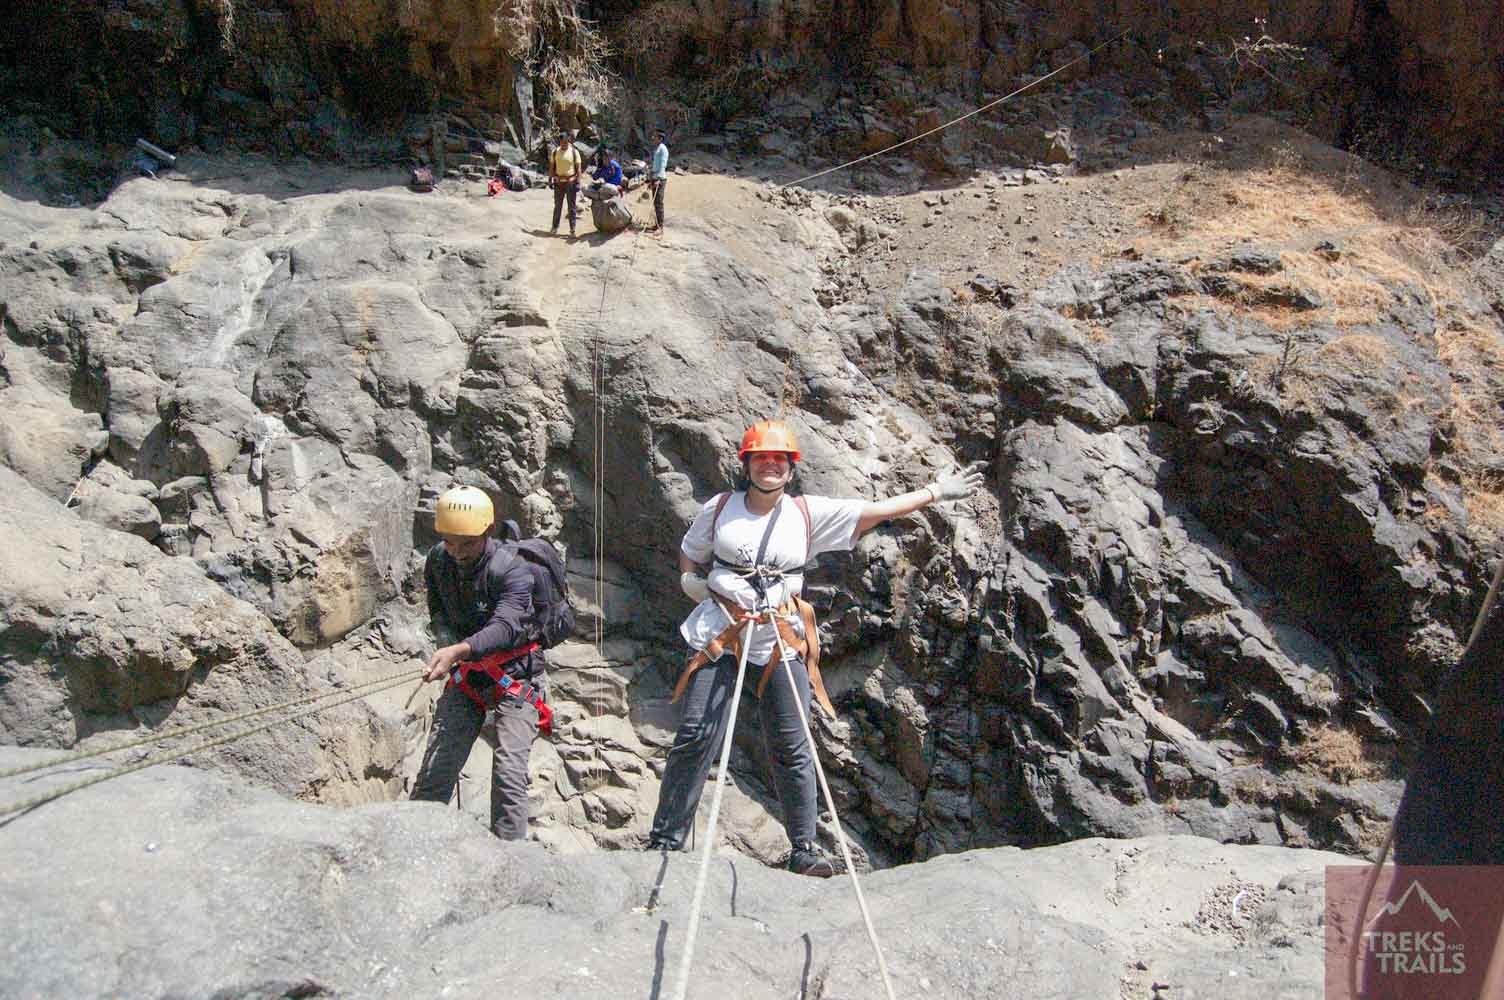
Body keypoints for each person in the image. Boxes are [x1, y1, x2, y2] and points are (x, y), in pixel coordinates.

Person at [647, 420, 985, 875]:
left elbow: (876, 511)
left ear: (790, 469)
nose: (770, 465)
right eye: (761, 458)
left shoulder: (806, 513)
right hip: (723, 632)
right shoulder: (721, 507)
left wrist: (935, 492)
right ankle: (665, 839)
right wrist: (690, 579)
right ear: (747, 464)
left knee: (792, 744)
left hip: (779, 638)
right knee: (695, 735)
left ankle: (803, 848)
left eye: (779, 459)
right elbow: (691, 550)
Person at [410, 485, 551, 840]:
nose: (457, 552)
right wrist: (446, 643)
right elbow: (438, 611)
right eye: (450, 542)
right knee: (435, 771)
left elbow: (505, 626)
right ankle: (412, 844)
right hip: (468, 677)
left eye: (467, 544)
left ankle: (510, 857)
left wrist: (457, 651)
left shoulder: (514, 569)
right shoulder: (438, 560)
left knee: (508, 775)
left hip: (517, 677)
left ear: (487, 531)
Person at [549, 131, 583, 238]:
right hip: (558, 182)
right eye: (562, 142)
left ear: (568, 140)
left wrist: (578, 182)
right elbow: (552, 166)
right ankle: (555, 227)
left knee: (571, 207)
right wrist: (550, 179)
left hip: (570, 182)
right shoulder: (555, 152)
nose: (564, 144)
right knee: (557, 206)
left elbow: (578, 168)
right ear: (559, 141)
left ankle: (572, 229)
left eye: (565, 142)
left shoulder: (574, 152)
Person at [647, 129, 669, 234]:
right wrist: (651, 178)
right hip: (655, 177)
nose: (653, 138)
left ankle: (660, 227)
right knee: (655, 202)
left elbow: (663, 165)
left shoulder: (663, 149)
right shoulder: (657, 149)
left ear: (660, 138)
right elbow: (655, 164)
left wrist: (659, 179)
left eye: (655, 137)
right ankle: (657, 225)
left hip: (660, 179)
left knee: (659, 203)